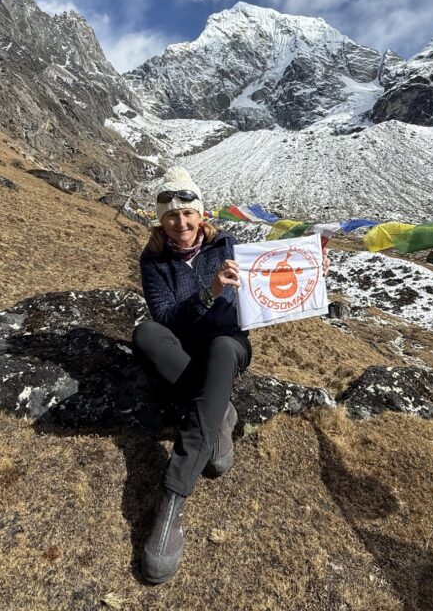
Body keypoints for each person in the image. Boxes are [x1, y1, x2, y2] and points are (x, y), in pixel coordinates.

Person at [131, 167, 251, 584]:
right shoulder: (153, 260)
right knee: (146, 333)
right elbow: (164, 316)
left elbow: (265, 287)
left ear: (201, 215)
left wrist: (310, 264)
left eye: (187, 214)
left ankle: (171, 503)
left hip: (227, 343)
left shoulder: (228, 246)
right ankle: (218, 411)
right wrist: (208, 293)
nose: (180, 223)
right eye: (170, 216)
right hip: (182, 346)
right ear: (159, 220)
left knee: (220, 348)